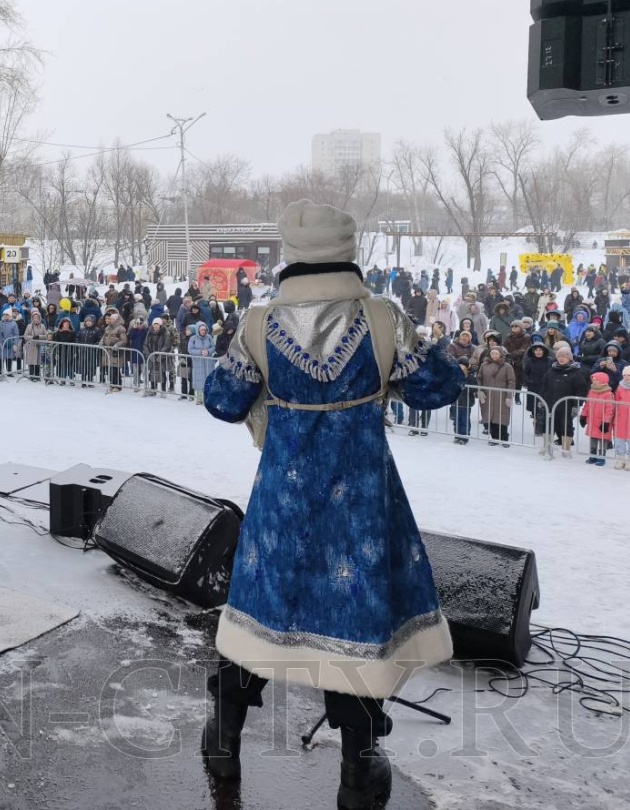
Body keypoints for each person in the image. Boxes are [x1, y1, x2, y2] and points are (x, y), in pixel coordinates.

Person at [198, 201, 463, 806]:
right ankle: (358, 769)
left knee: (261, 616)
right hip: (361, 506)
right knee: (355, 623)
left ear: (291, 254)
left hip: (283, 505)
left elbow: (222, 400)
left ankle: (225, 740)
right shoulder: (382, 317)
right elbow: (439, 387)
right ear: (348, 251)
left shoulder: (259, 322)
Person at [544, 342, 588, 457]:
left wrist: (576, 405)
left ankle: (566, 449)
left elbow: (581, 390)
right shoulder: (552, 370)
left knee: (566, 426)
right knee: (548, 424)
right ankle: (546, 447)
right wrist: (541, 400)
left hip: (567, 405)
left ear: (570, 358)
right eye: (559, 357)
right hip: (551, 403)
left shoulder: (576, 372)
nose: (561, 359)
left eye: (564, 357)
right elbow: (544, 386)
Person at [476, 346, 516, 445]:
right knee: (490, 417)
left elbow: (511, 381)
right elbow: (479, 378)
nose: (494, 355)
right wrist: (480, 390)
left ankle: (504, 438)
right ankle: (494, 438)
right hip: (488, 395)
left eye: (496, 354)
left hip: (501, 396)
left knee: (501, 417)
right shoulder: (484, 365)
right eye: (492, 353)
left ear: (501, 355)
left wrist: (509, 396)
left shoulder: (507, 366)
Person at [580, 372, 616, 466]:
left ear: (603, 381)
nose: (594, 382)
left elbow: (610, 410)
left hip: (603, 421)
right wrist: (583, 415)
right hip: (592, 420)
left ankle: (601, 457)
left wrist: (606, 422)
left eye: (597, 380)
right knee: (593, 438)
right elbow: (587, 405)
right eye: (593, 380)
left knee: (602, 439)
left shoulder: (608, 394)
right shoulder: (591, 391)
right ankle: (593, 456)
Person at [100, 309, 128, 393]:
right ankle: (112, 384)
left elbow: (124, 340)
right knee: (109, 369)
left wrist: (117, 345)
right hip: (108, 351)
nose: (110, 320)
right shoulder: (108, 327)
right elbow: (104, 336)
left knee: (115, 369)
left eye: (112, 319)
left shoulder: (121, 328)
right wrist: (101, 341)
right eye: (110, 319)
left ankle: (117, 386)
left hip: (116, 352)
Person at [23, 309, 48, 381]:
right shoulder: (29, 326)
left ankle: (37, 375)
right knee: (31, 361)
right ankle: (32, 375)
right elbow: (25, 336)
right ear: (32, 318)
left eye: (37, 317)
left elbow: (46, 335)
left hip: (39, 346)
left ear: (39, 318)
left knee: (38, 361)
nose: (36, 319)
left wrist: (39, 337)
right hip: (31, 346)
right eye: (34, 317)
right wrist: (32, 337)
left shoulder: (42, 326)